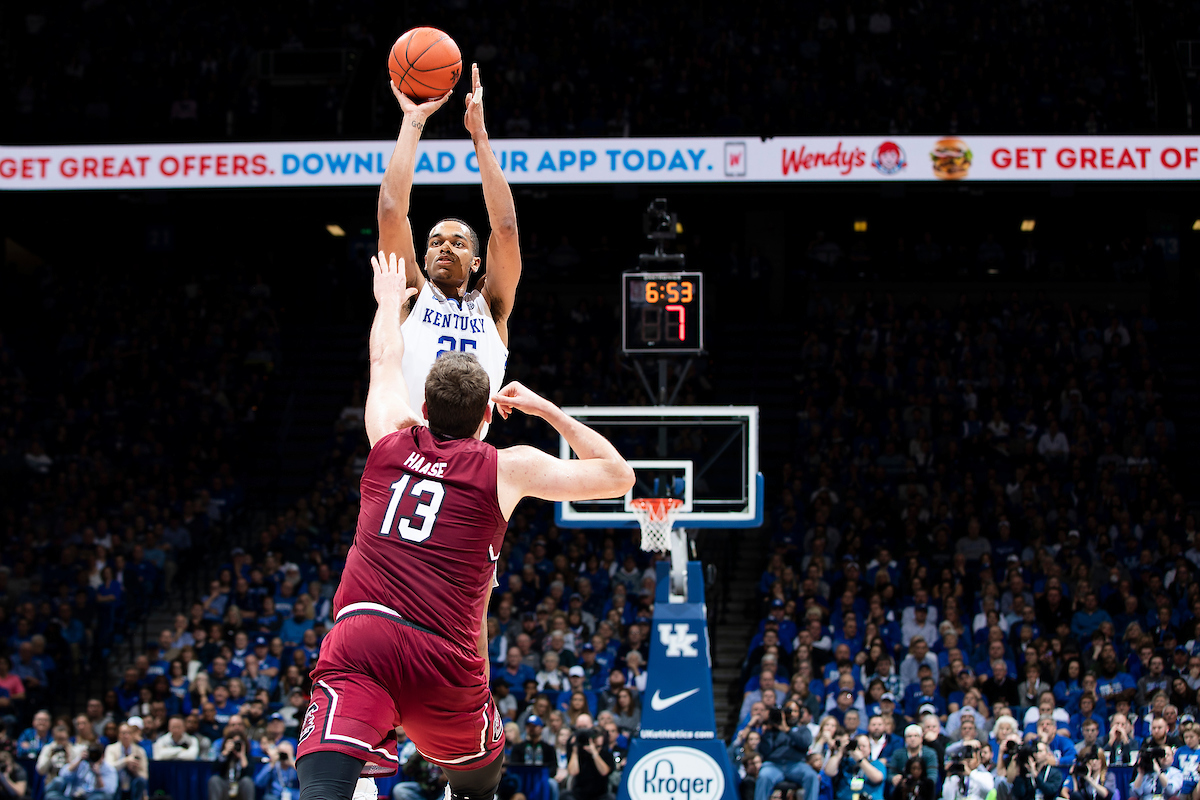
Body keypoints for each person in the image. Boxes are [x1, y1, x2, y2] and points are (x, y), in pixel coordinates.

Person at [294, 252, 633, 800]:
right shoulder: (506, 466)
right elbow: (619, 475)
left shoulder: (386, 439)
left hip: (364, 639)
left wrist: (386, 303)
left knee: (321, 787)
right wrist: (546, 409)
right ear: (485, 418)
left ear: (423, 405)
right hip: (443, 656)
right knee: (479, 782)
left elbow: (384, 357)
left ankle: (350, 778)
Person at [378, 64, 521, 425]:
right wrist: (413, 120)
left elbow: (505, 229)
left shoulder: (494, 308)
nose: (444, 247)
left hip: (468, 460)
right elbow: (392, 213)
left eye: (458, 243)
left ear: (476, 262)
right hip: (409, 448)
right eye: (436, 242)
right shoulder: (411, 297)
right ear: (423, 258)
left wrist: (480, 137)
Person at [754, 707, 819, 800]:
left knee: (812, 776)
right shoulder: (771, 731)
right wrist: (768, 730)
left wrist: (787, 730)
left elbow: (805, 743)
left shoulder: (802, 729)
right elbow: (764, 751)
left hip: (796, 765)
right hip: (774, 765)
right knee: (764, 776)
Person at [45, 743, 117, 800]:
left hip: (91, 797)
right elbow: (63, 775)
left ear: (102, 756)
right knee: (51, 795)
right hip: (73, 797)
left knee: (99, 798)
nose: (93, 757)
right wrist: (79, 759)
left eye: (96, 755)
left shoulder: (109, 769)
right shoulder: (81, 763)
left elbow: (109, 792)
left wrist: (98, 775)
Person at [824, 733, 885, 800]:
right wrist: (841, 751)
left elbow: (877, 778)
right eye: (858, 746)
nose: (861, 749)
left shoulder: (877, 764)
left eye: (864, 746)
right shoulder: (846, 763)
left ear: (870, 749)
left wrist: (860, 760)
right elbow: (829, 771)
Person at [564, 728, 615, 800]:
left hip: (600, 795)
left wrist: (594, 752)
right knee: (565, 795)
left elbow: (604, 772)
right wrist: (575, 751)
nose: (596, 747)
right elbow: (573, 772)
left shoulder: (606, 754)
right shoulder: (580, 753)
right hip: (580, 793)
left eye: (598, 746)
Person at [207, 724, 255, 800]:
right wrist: (225, 752)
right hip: (225, 786)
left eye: (238, 743)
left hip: (239, 787)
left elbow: (249, 773)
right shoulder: (226, 755)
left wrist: (242, 756)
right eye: (234, 743)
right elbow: (214, 768)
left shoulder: (247, 756)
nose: (236, 746)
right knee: (214, 779)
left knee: (247, 781)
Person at [103, 724, 148, 800]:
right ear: (119, 735)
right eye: (123, 733)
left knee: (141, 781)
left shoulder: (140, 751)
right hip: (117, 782)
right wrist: (125, 761)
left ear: (132, 735)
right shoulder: (110, 748)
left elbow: (145, 776)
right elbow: (109, 768)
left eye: (128, 733)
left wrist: (135, 771)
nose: (126, 736)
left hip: (133, 782)